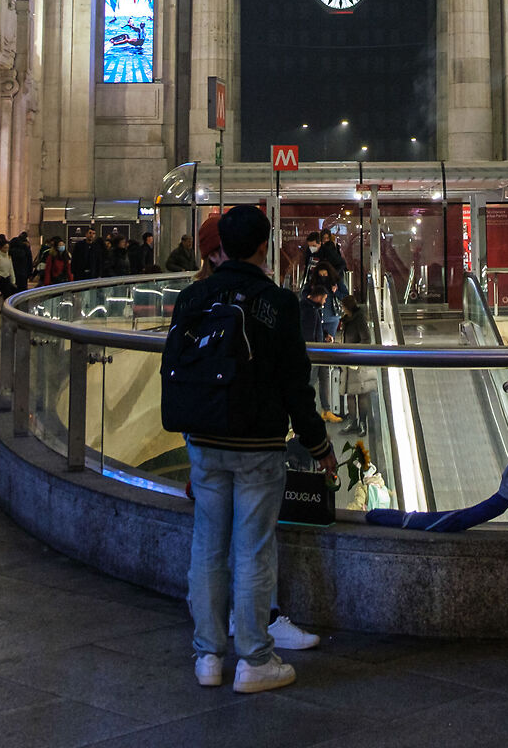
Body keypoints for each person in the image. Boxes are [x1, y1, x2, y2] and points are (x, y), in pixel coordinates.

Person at [163, 204, 335, 694]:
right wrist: (318, 443)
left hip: (204, 443)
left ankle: (207, 657)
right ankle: (255, 659)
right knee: (254, 550)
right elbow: (294, 385)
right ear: (263, 246)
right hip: (257, 445)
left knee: (207, 548)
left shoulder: (193, 296)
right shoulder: (276, 302)